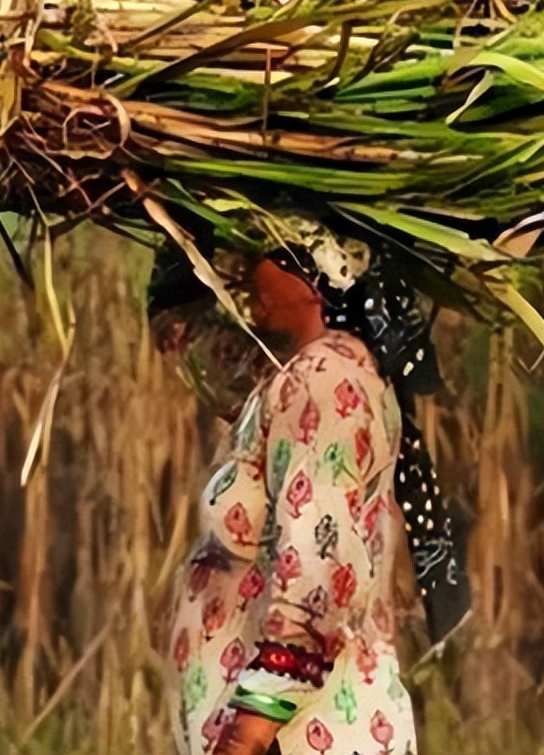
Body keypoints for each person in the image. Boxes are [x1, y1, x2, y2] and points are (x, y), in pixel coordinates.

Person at [163, 252, 419, 755]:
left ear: (315, 278)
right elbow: (185, 338)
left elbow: (318, 570)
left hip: (295, 732)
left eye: (267, 254)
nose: (245, 273)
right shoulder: (288, 372)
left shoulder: (328, 377)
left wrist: (249, 732)